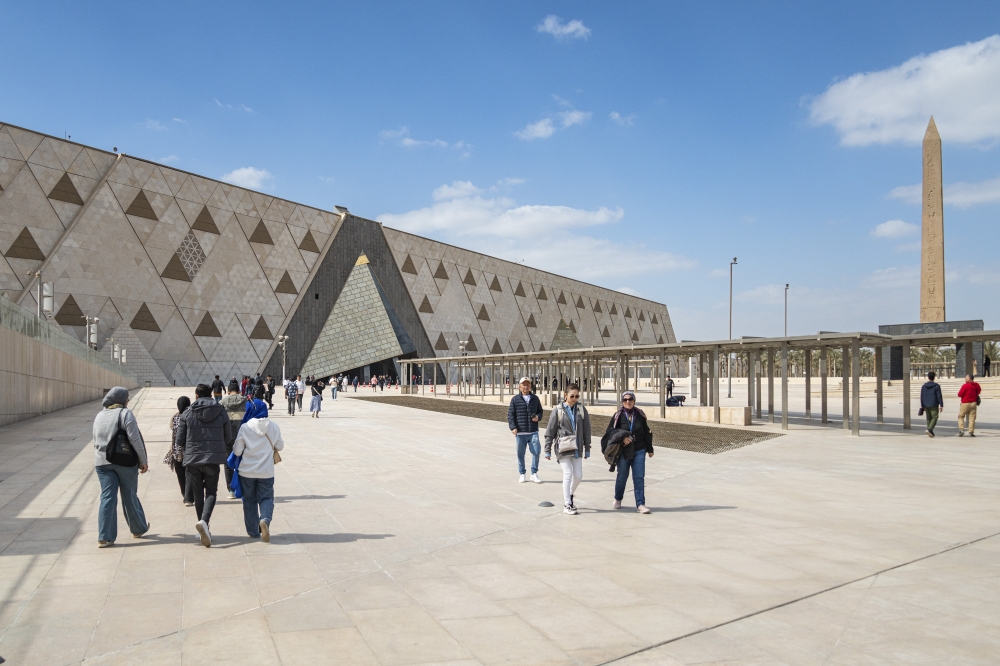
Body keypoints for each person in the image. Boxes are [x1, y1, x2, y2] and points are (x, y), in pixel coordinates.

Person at [176, 383, 232, 547]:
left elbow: (179, 440)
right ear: (212, 395)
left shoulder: (187, 413)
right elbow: (228, 437)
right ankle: (204, 523)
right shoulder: (221, 411)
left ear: (196, 396)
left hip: (193, 459)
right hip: (212, 458)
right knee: (212, 493)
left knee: (198, 493)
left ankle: (202, 525)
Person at [93, 387, 149, 547]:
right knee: (129, 495)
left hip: (102, 462)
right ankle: (137, 529)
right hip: (124, 461)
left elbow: (96, 439)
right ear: (121, 400)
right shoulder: (125, 414)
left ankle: (104, 536)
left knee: (107, 497)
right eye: (127, 397)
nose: (128, 400)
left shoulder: (99, 415)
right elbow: (135, 439)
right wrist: (143, 460)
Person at [233, 400, 284, 542]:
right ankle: (265, 520)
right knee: (266, 498)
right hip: (266, 471)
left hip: (246, 471)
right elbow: (280, 445)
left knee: (249, 501)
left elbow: (237, 451)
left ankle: (253, 531)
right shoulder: (274, 426)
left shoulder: (245, 427)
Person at [544, 383, 591, 515]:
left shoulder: (581, 410)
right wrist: (547, 449)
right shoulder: (558, 410)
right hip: (563, 447)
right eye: (572, 396)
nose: (575, 398)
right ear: (565, 395)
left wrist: (587, 447)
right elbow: (550, 430)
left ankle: (570, 493)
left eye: (577, 396)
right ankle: (567, 504)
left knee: (578, 476)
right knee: (568, 473)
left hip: (577, 447)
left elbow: (587, 430)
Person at [604, 390, 654, 513]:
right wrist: (622, 438)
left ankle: (640, 504)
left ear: (634, 400)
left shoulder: (640, 415)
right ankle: (618, 498)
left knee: (639, 477)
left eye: (630, 399)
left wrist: (650, 448)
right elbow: (610, 432)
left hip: (639, 450)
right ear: (622, 402)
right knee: (622, 476)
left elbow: (646, 432)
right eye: (625, 399)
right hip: (623, 451)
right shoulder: (618, 416)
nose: (628, 401)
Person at [507, 377, 543, 484]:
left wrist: (538, 417)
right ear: (520, 386)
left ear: (530, 386)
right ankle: (522, 473)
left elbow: (540, 411)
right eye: (523, 384)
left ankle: (534, 473)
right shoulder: (515, 399)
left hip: (533, 431)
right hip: (520, 432)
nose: (525, 386)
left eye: (527, 384)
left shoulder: (535, 398)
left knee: (536, 451)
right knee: (520, 454)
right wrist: (513, 427)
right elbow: (510, 414)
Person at [164, 396, 194, 505]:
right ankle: (189, 497)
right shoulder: (191, 416)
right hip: (188, 450)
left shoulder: (175, 417)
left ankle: (185, 495)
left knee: (181, 476)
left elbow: (173, 429)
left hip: (176, 452)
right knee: (189, 474)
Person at [220, 383, 247, 498]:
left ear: (228, 391)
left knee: (227, 464)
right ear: (239, 391)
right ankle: (243, 489)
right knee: (243, 462)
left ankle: (230, 490)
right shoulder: (246, 402)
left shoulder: (222, 403)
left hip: (227, 437)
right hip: (243, 437)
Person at [920, 371, 944, 438]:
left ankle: (930, 431)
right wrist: (941, 405)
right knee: (934, 417)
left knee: (928, 417)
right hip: (933, 404)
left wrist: (922, 405)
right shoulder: (936, 386)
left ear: (928, 377)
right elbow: (939, 395)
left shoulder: (924, 386)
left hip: (926, 404)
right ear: (934, 377)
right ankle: (930, 429)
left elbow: (921, 396)